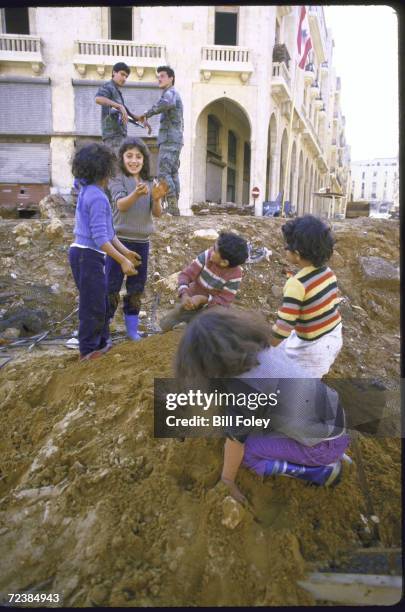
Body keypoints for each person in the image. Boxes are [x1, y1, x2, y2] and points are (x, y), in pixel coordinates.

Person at [174, 308, 350, 503]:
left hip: (324, 447)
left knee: (248, 452)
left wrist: (227, 479)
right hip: (335, 417)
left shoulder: (243, 391)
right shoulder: (262, 349)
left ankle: (322, 471)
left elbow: (235, 444)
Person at [69, 143, 140, 360]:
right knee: (92, 305)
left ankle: (100, 343)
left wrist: (126, 252)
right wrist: (121, 261)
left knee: (98, 301)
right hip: (87, 255)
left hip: (85, 254)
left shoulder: (90, 191)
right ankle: (88, 350)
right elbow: (101, 239)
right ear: (104, 169)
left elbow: (108, 233)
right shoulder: (97, 197)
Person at [106, 137, 169, 341]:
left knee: (136, 288)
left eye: (138, 157)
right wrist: (135, 193)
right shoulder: (117, 179)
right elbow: (121, 205)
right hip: (119, 242)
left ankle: (131, 331)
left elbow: (157, 213)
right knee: (111, 286)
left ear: (144, 160)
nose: (134, 161)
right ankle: (103, 328)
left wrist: (157, 198)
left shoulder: (150, 182)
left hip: (142, 243)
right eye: (129, 156)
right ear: (122, 158)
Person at [271, 214, 343, 378]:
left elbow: (285, 326)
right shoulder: (328, 273)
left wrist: (267, 346)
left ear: (296, 253)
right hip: (333, 336)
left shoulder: (296, 284)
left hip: (311, 350)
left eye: (286, 246)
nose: (284, 248)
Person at [159, 232, 249, 332]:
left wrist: (204, 299)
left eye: (215, 250)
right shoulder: (207, 256)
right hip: (190, 299)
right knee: (168, 322)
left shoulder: (235, 275)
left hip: (211, 308)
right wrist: (184, 294)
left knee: (202, 329)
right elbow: (185, 275)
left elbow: (223, 302)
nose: (211, 250)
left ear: (224, 262)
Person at [135, 66, 183, 216]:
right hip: (174, 139)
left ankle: (173, 207)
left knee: (163, 173)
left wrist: (146, 114)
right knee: (172, 173)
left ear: (171, 78)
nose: (159, 79)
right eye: (158, 76)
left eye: (162, 76)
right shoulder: (172, 94)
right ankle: (174, 207)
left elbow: (165, 103)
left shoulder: (170, 94)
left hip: (169, 139)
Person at [95, 62, 149, 154]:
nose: (124, 78)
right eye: (122, 74)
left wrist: (139, 118)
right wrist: (119, 106)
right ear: (114, 73)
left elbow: (126, 114)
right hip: (113, 137)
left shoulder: (117, 92)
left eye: (126, 76)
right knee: (117, 166)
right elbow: (98, 99)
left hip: (120, 137)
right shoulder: (108, 87)